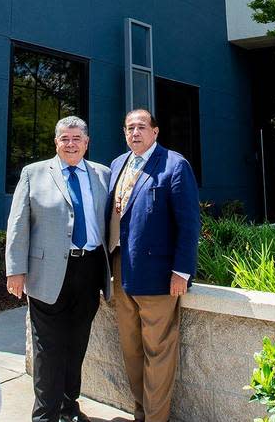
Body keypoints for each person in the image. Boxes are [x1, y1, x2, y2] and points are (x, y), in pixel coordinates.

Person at [5, 116, 111, 422]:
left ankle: (68, 409)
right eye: (65, 138)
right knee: (48, 349)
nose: (71, 143)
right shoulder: (33, 173)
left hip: (89, 270)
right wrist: (15, 270)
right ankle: (45, 415)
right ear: (56, 142)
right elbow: (18, 224)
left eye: (77, 138)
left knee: (76, 345)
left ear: (87, 143)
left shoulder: (102, 175)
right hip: (46, 274)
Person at [104, 109, 200, 422]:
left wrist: (181, 271)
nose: (135, 133)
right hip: (120, 270)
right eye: (129, 127)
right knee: (131, 349)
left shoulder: (174, 165)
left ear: (155, 132)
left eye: (141, 127)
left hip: (159, 276)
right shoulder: (118, 164)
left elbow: (188, 224)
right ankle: (141, 412)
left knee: (158, 352)